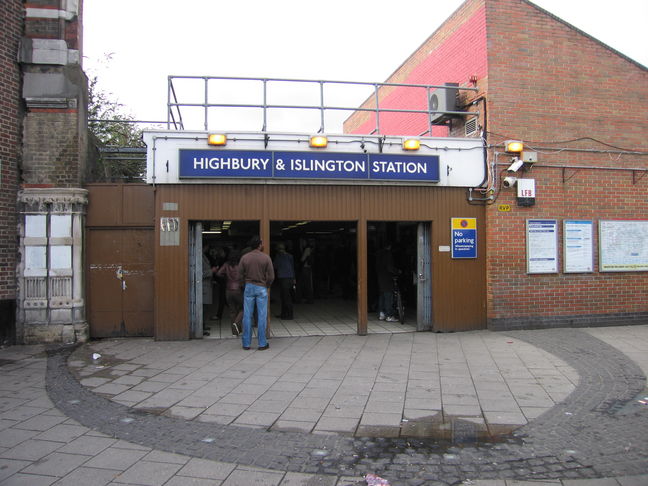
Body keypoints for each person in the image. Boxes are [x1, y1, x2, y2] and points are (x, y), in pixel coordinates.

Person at [239, 235, 274, 350]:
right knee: (262, 315)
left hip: (248, 287)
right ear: (259, 245)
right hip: (261, 287)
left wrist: (243, 285)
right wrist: (266, 285)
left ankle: (246, 343)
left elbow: (240, 275)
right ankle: (262, 343)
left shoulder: (245, 258)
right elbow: (271, 276)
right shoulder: (266, 258)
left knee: (247, 316)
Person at [216, 249, 243, 336]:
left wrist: (225, 278)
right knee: (244, 308)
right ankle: (237, 322)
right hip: (238, 290)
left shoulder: (226, 264)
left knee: (232, 311)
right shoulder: (240, 265)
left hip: (228, 290)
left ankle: (235, 332)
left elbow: (218, 273)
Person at [375, 242, 399, 322]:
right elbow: (390, 267)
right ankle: (389, 315)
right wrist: (397, 272)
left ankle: (381, 313)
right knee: (388, 296)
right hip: (387, 279)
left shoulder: (378, 254)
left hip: (380, 278)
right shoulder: (388, 255)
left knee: (382, 296)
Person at [273, 242, 295, 320]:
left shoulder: (278, 256)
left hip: (283, 278)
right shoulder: (290, 256)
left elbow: (275, 266)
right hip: (290, 277)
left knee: (285, 297)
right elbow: (292, 267)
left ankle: (288, 315)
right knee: (286, 296)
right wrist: (294, 279)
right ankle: (285, 314)